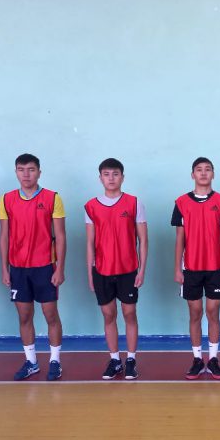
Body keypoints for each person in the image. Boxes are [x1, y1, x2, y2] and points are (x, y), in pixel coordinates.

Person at [0, 153, 66, 381]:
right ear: (16, 172)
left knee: (50, 314)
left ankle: (55, 361)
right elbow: (4, 236)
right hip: (18, 268)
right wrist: (5, 268)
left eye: (31, 169)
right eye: (21, 169)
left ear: (39, 172)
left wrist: (60, 268)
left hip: (45, 266)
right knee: (24, 316)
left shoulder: (52, 198)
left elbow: (60, 236)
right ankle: (31, 362)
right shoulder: (6, 199)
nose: (26, 174)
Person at [84, 158, 147, 380]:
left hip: (128, 270)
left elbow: (143, 240)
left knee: (129, 313)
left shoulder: (134, 203)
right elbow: (90, 243)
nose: (111, 178)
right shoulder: (91, 206)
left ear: (122, 177)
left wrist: (142, 270)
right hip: (102, 270)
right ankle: (114, 360)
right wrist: (90, 273)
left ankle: (131, 359)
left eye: (115, 174)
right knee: (108, 315)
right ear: (100, 178)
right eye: (106, 174)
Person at [172, 157, 220, 379]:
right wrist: (177, 268)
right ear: (193, 175)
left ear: (213, 174)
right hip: (191, 268)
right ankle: (197, 359)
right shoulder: (181, 202)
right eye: (199, 170)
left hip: (215, 267)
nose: (204, 173)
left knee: (213, 312)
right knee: (195, 312)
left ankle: (213, 359)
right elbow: (180, 239)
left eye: (208, 169)